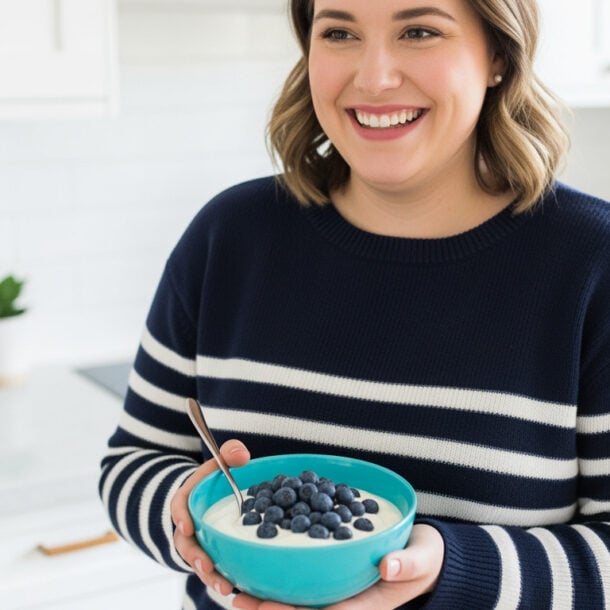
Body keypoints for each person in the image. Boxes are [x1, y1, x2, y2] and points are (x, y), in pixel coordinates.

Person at [99, 0, 610, 608]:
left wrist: (449, 570)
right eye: (339, 32)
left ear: (498, 54)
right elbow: (132, 463)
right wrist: (189, 520)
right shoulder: (230, 238)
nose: (373, 77)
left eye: (419, 31)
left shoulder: (591, 264)